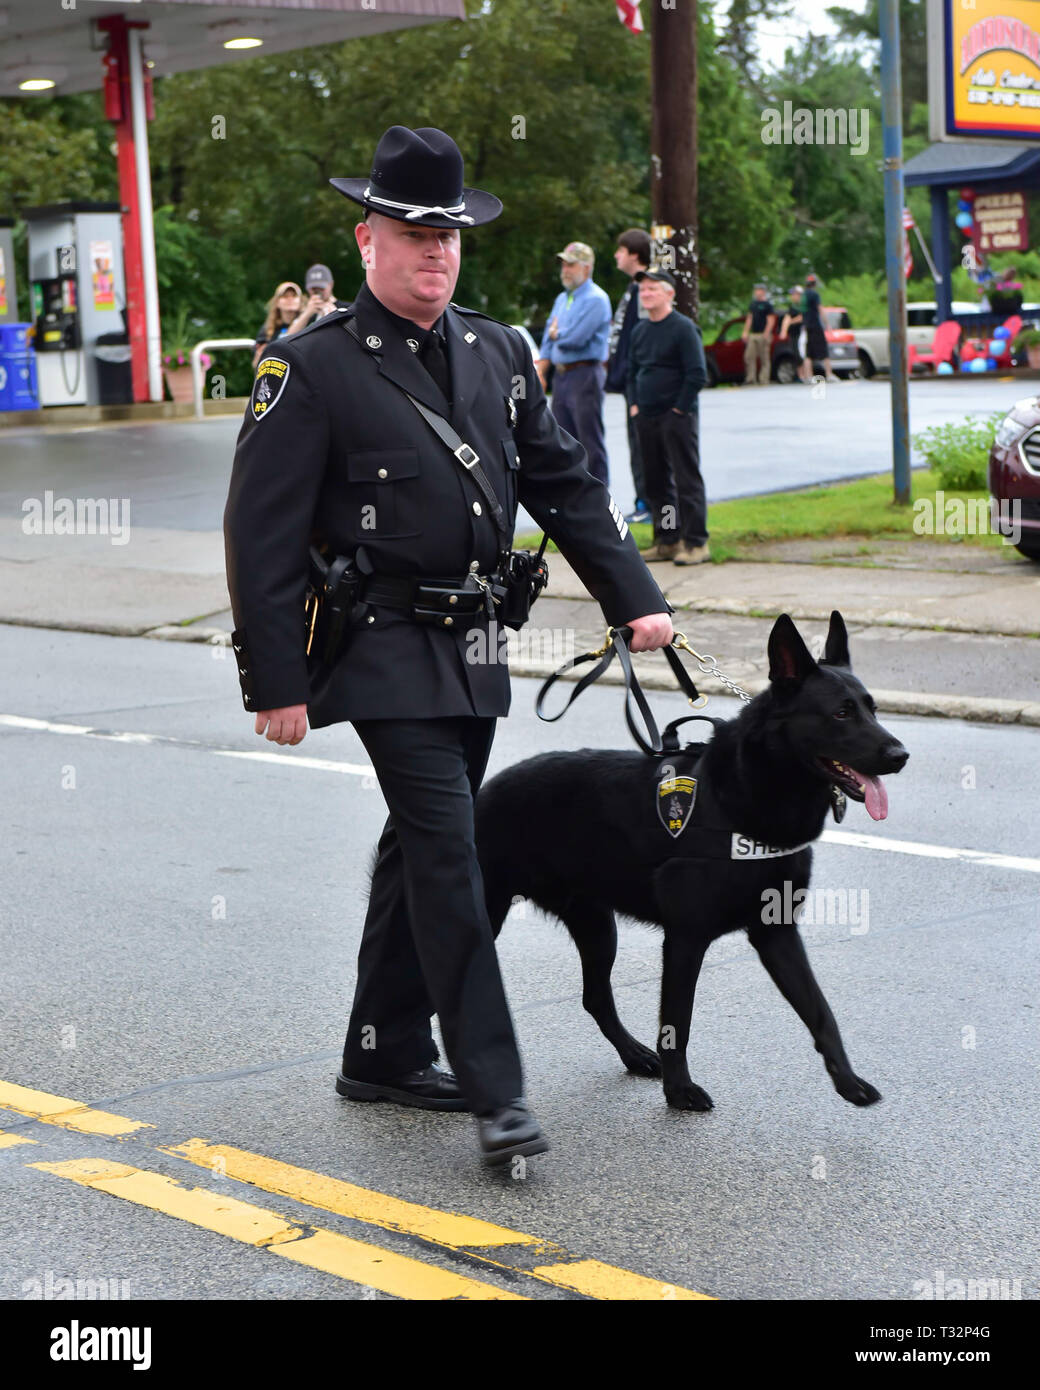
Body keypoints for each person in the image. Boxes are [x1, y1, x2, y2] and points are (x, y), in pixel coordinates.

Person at [223, 126, 673, 1168]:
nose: (436, 252)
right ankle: (497, 1090)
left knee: (419, 844)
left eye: (450, 235)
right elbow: (261, 534)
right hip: (377, 645)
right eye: (415, 233)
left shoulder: (497, 352)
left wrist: (631, 597)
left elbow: (563, 486)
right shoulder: (310, 367)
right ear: (366, 236)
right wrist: (274, 681)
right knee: (449, 853)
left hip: (472, 645)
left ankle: (381, 1047)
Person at [627, 269, 709, 565]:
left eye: (653, 289)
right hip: (646, 417)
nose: (646, 294)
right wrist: (634, 406)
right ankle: (668, 538)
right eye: (643, 289)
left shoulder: (683, 328)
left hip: (676, 416)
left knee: (686, 480)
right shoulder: (640, 331)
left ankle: (696, 542)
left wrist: (679, 409)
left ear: (669, 294)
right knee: (657, 483)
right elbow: (632, 372)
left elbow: (697, 373)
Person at [536, 242, 612, 485]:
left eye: (571, 265)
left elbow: (576, 339)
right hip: (562, 376)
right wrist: (542, 371)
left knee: (589, 440)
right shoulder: (562, 298)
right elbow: (549, 336)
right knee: (563, 439)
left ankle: (601, 499)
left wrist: (559, 333)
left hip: (585, 374)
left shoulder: (597, 299)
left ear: (586, 268)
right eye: (563, 265)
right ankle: (574, 496)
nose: (565, 270)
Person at [606, 229, 653, 523]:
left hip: (638, 383)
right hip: (629, 381)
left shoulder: (645, 288)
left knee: (642, 445)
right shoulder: (632, 288)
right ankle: (644, 502)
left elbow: (640, 341)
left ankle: (647, 504)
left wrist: (633, 384)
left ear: (634, 254)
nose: (616, 255)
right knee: (636, 444)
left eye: (620, 250)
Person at [286, 263, 350, 337]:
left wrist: (335, 316)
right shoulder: (305, 312)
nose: (317, 292)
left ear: (331, 284)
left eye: (321, 288)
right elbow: (288, 337)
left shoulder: (347, 308)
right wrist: (307, 313)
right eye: (313, 289)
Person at [252, 281, 303, 368]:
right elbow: (256, 364)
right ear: (277, 302)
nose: (290, 299)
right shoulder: (267, 329)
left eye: (294, 296)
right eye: (285, 296)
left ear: (301, 301)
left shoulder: (310, 322)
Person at [799, 272, 838, 383]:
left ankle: (809, 376)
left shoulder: (803, 295)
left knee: (808, 352)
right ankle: (829, 374)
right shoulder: (815, 295)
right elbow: (820, 309)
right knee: (823, 350)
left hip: (807, 326)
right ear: (815, 283)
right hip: (816, 325)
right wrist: (827, 324)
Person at [741, 283, 776, 385]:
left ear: (763, 291)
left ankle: (763, 379)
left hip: (763, 334)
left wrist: (766, 332)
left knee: (764, 357)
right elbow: (749, 319)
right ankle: (751, 378)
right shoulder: (753, 304)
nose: (757, 292)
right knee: (749, 356)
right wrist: (745, 332)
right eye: (756, 290)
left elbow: (771, 320)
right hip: (754, 334)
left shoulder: (767, 305)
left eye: (759, 290)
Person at [779, 285, 804, 381]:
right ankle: (800, 375)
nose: (793, 296)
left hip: (801, 333)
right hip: (793, 334)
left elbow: (802, 317)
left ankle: (805, 375)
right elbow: (787, 318)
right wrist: (783, 331)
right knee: (795, 353)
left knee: (801, 354)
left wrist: (791, 322)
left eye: (794, 294)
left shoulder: (803, 305)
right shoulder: (792, 307)